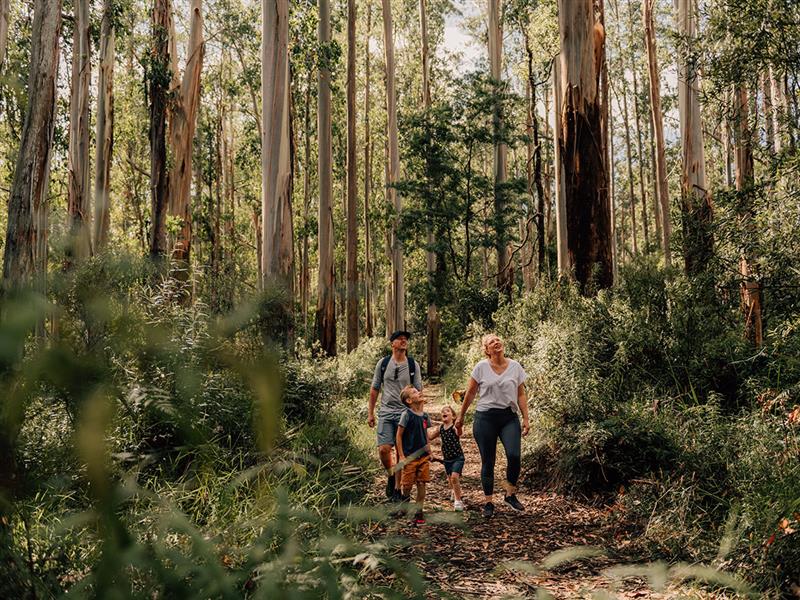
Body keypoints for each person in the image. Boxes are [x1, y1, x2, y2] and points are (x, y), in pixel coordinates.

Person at [455, 333, 530, 518]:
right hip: (485, 419)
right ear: (487, 350)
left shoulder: (515, 366)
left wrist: (526, 418)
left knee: (514, 455)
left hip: (508, 417)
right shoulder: (481, 367)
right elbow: (471, 393)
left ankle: (510, 494)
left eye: (497, 340)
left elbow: (521, 394)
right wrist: (461, 417)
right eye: (491, 342)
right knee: (488, 461)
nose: (496, 342)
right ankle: (488, 502)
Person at [367, 330, 423, 501]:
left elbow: (419, 391)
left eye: (405, 339)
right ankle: (392, 475)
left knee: (400, 452)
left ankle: (398, 491)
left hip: (405, 414)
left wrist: (419, 414)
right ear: (392, 344)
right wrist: (371, 413)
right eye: (400, 339)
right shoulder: (383, 363)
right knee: (384, 450)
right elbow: (375, 388)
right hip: (385, 412)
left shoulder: (413, 365)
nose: (404, 341)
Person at [396, 385, 432, 524]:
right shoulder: (407, 415)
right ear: (409, 401)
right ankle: (405, 501)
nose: (419, 392)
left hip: (423, 457)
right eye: (415, 392)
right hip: (410, 457)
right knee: (407, 485)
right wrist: (402, 456)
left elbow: (426, 435)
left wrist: (429, 451)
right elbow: (399, 436)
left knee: (422, 483)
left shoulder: (425, 416)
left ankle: (419, 511)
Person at [428, 405, 465, 511]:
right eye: (442, 411)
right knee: (450, 480)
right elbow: (430, 437)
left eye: (447, 411)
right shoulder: (440, 428)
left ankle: (458, 501)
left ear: (453, 416)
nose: (444, 412)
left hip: (458, 457)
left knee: (454, 477)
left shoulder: (454, 427)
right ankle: (454, 491)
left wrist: (459, 426)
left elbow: (459, 433)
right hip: (447, 459)